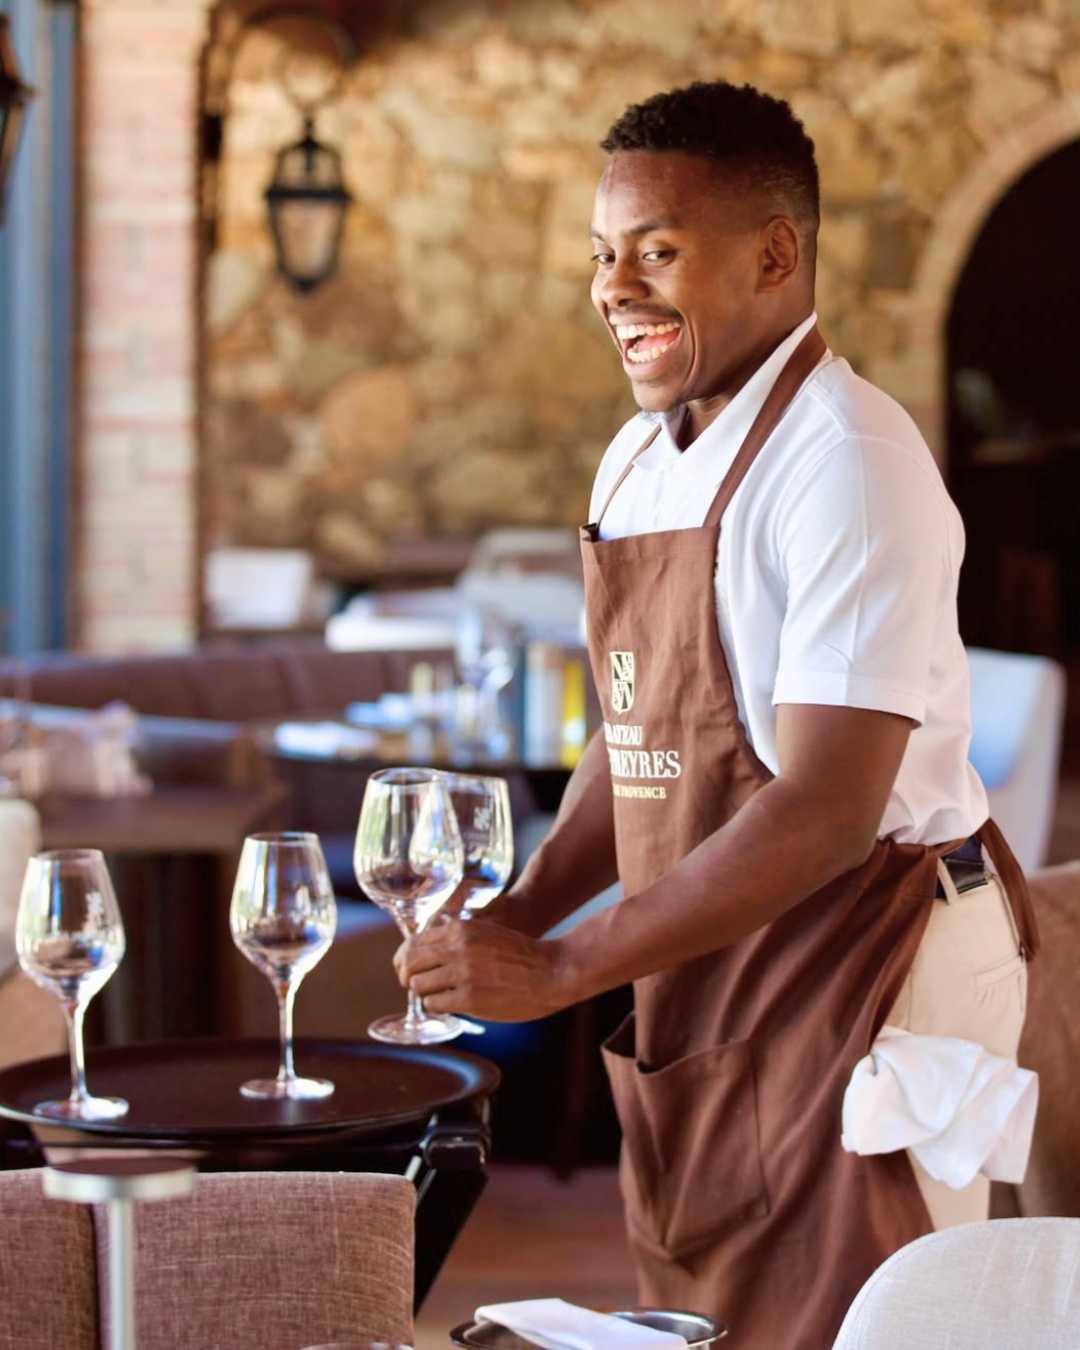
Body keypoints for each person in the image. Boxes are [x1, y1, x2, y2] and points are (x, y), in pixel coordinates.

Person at [399, 81, 1038, 1348]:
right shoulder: (637, 457)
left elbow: (825, 810)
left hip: (874, 972)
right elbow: (633, 742)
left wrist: (572, 963)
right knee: (704, 1327)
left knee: (865, 1324)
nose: (614, 286)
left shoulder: (849, 463)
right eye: (603, 253)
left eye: (657, 251)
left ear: (775, 255)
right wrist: (522, 912)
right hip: (713, 979)